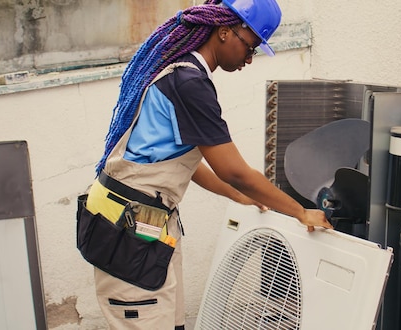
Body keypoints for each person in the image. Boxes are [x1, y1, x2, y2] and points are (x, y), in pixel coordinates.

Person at [79, 0, 333, 328]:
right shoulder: (188, 83)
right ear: (224, 32)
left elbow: (184, 163)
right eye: (250, 45)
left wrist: (239, 195)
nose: (249, 58)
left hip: (142, 227)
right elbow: (235, 171)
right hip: (129, 234)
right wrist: (298, 212)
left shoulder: (181, 71)